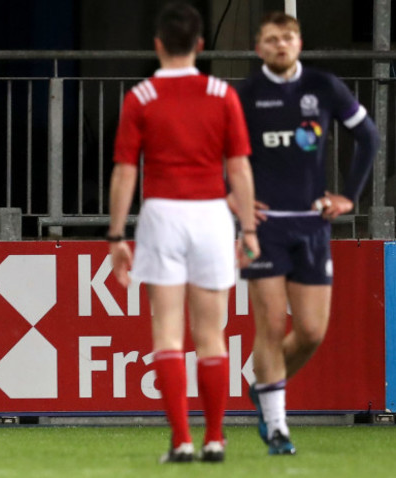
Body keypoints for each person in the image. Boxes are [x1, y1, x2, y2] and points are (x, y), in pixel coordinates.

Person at [108, 1, 259, 464]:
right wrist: (248, 228)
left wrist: (116, 236)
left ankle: (181, 441)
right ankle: (215, 437)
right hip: (213, 215)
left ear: (157, 45)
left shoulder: (141, 97)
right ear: (199, 45)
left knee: (168, 335)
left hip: (162, 217)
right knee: (212, 334)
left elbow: (124, 172)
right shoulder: (222, 94)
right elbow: (239, 168)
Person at [234, 12, 379, 455]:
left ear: (299, 44)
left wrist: (349, 197)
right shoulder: (244, 94)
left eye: (289, 38)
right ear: (259, 48)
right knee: (272, 324)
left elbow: (369, 138)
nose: (281, 45)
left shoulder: (324, 86)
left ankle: (264, 388)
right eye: (272, 39)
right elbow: (215, 153)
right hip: (265, 226)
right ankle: (277, 427)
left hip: (313, 223)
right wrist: (231, 199)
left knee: (313, 331)